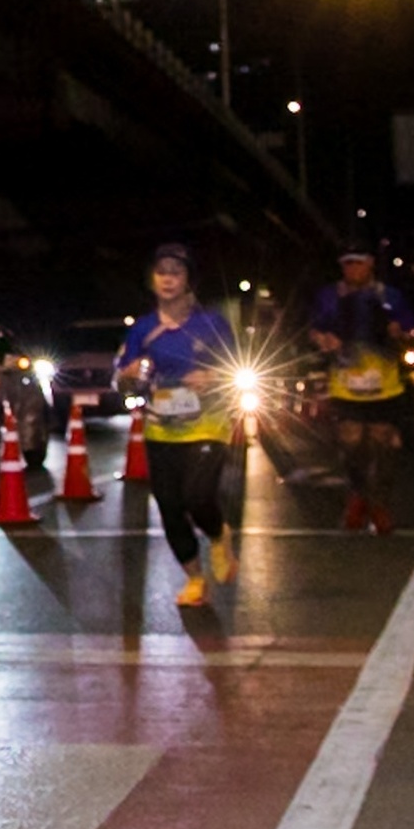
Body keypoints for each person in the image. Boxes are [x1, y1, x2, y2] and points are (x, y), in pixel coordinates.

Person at [113, 244, 242, 610]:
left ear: (188, 280)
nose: (168, 279)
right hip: (161, 427)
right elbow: (121, 382)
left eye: (176, 272)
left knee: (197, 496)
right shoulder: (142, 329)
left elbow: (238, 368)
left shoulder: (212, 323)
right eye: (161, 272)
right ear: (151, 280)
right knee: (169, 506)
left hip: (208, 423)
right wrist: (128, 375)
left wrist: (212, 376)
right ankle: (195, 578)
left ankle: (217, 533)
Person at [306, 248, 414, 534]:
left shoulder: (389, 296)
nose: (353, 269)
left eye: (358, 263)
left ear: (370, 264)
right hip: (346, 382)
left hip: (384, 383)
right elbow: (313, 329)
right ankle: (358, 494)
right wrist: (323, 339)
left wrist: (400, 332)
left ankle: (379, 503)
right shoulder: (329, 295)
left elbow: (411, 329)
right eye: (347, 264)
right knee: (350, 442)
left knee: (383, 443)